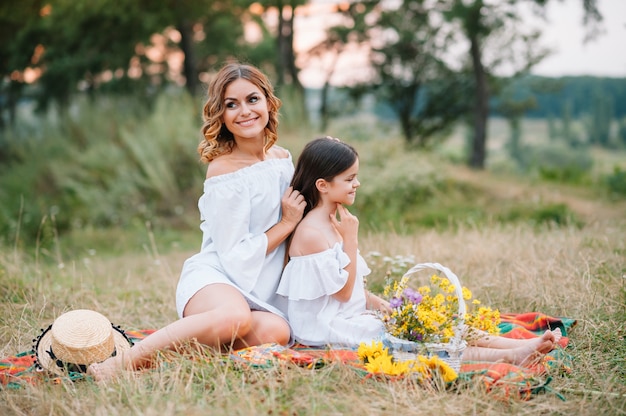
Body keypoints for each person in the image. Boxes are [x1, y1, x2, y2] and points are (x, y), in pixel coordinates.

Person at [88, 62, 306, 381]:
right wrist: (286, 224)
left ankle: (187, 352)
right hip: (219, 276)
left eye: (252, 99)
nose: (244, 111)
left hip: (261, 286)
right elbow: (235, 254)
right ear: (221, 115)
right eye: (231, 105)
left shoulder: (283, 159)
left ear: (269, 103)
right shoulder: (225, 170)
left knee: (277, 330)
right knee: (234, 316)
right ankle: (121, 364)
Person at [277, 137, 561, 366]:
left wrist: (383, 305)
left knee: (431, 322)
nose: (357, 184)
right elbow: (340, 292)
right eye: (349, 179)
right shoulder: (312, 233)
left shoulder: (333, 221)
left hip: (351, 315)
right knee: (419, 341)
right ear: (323, 186)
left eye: (356, 177)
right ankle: (510, 356)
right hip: (330, 327)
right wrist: (351, 241)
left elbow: (355, 293)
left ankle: (519, 344)